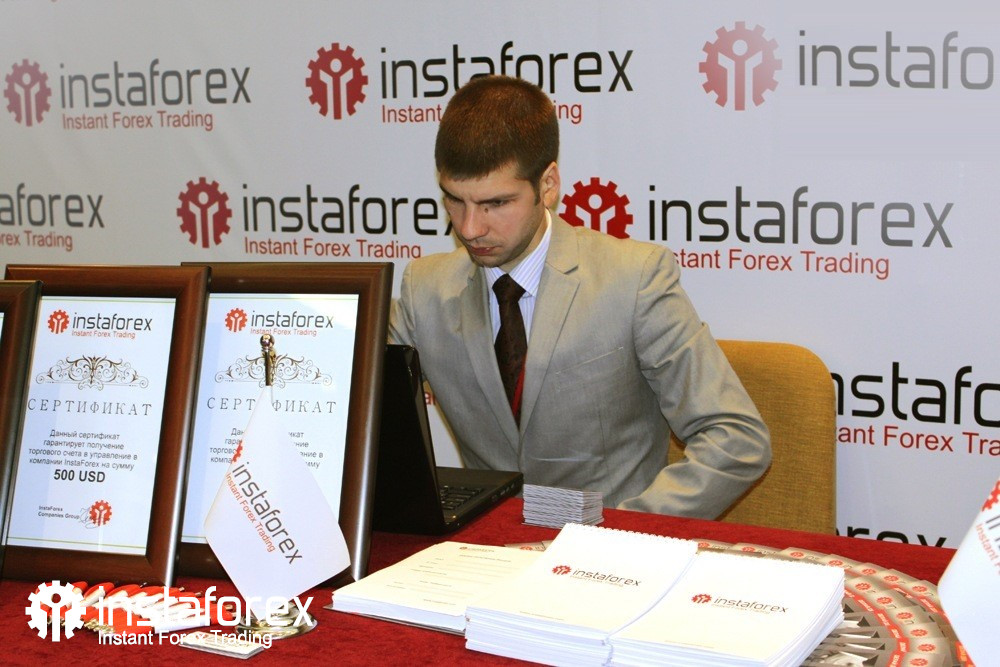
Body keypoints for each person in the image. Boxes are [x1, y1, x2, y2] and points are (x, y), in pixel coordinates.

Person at [389, 75, 770, 519]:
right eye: (455, 200)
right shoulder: (423, 289)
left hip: (609, 547)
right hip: (483, 547)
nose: (470, 228)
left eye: (496, 204)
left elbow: (735, 437)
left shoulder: (633, 279)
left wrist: (626, 533)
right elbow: (353, 407)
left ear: (548, 184)